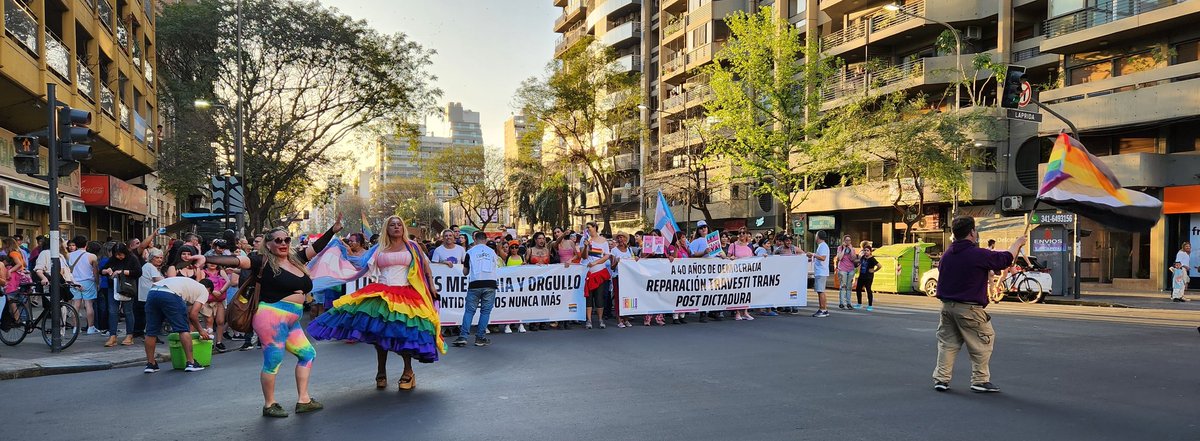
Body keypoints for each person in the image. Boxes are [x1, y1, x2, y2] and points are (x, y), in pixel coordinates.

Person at [197, 216, 342, 417]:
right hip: (271, 317)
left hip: (292, 319)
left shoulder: (296, 259)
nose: (283, 243)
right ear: (269, 244)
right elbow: (236, 260)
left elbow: (317, 247)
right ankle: (269, 404)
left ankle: (304, 399)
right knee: (273, 360)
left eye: (286, 240)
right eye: (278, 240)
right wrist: (208, 258)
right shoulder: (261, 261)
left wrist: (332, 230)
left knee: (307, 354)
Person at [308, 215, 443, 391]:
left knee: (404, 333)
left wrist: (431, 286)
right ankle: (381, 371)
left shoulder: (413, 246)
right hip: (381, 293)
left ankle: (408, 372)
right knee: (379, 334)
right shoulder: (379, 248)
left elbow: (425, 266)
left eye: (399, 224)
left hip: (406, 294)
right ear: (387, 229)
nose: (396, 227)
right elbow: (359, 263)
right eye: (392, 225)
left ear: (403, 228)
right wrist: (340, 248)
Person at [932, 215, 1027, 393]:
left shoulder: (947, 255)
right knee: (983, 341)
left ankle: (941, 379)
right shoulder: (976, 254)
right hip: (969, 308)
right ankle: (980, 379)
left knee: (947, 344)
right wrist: (1017, 244)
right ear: (972, 233)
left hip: (947, 307)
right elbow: (1005, 259)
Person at [142, 277, 213, 374]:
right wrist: (201, 330)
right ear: (209, 290)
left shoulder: (190, 284)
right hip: (170, 294)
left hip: (153, 292)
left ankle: (151, 364)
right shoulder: (204, 291)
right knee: (183, 329)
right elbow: (193, 314)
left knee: (151, 332)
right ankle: (191, 363)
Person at [453, 230, 505, 347]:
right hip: (490, 283)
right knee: (485, 311)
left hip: (475, 283)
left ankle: (463, 336)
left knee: (469, 311)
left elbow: (465, 272)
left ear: (475, 240)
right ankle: (480, 337)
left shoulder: (470, 252)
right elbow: (496, 266)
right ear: (486, 240)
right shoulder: (492, 252)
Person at [100, 243, 142, 347]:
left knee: (128, 311)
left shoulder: (132, 258)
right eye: (117, 255)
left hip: (127, 287)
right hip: (113, 286)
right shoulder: (112, 259)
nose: (119, 257)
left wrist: (121, 272)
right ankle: (113, 335)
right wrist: (106, 270)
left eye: (121, 254)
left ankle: (129, 335)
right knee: (112, 311)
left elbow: (138, 272)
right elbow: (102, 271)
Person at [580, 222, 613, 330]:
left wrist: (596, 263)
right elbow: (584, 256)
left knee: (599, 297)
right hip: (588, 272)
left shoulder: (603, 241)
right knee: (588, 297)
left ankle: (600, 319)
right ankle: (588, 320)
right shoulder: (586, 240)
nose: (588, 229)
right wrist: (585, 246)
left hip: (599, 272)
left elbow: (606, 255)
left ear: (595, 228)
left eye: (589, 227)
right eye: (587, 228)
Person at [66, 236, 100, 334]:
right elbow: (95, 272)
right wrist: (97, 282)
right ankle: (91, 327)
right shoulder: (92, 256)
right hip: (88, 282)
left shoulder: (69, 256)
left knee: (75, 305)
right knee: (88, 305)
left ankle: (76, 328)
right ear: (86, 244)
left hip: (74, 282)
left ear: (75, 244)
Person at [137, 248, 165, 342]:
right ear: (152, 258)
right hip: (148, 295)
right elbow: (159, 280)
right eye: (157, 258)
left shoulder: (149, 267)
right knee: (152, 316)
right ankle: (151, 335)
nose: (159, 260)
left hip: (148, 295)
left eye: (161, 258)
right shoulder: (150, 267)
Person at [727, 230, 755, 321]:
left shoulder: (749, 246)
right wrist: (731, 258)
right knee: (737, 292)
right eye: (740, 233)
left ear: (747, 234)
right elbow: (728, 257)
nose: (742, 234)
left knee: (746, 291)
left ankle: (745, 312)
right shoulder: (733, 245)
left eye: (744, 233)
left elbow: (753, 258)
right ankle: (737, 312)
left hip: (747, 272)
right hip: (736, 272)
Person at [502, 240, 527, 334]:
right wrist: (502, 238)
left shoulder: (521, 257)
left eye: (516, 247)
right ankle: (507, 324)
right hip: (510, 285)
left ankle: (521, 324)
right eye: (512, 247)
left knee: (520, 304)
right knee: (509, 305)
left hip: (520, 285)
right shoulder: (507, 257)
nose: (514, 249)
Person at [611, 233, 634, 328]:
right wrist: (616, 261)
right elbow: (612, 267)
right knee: (618, 298)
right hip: (618, 276)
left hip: (628, 277)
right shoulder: (614, 250)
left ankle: (626, 318)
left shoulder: (629, 249)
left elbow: (633, 261)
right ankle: (619, 319)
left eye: (622, 237)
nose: (620, 239)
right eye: (619, 237)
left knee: (628, 298)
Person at [807, 231, 831, 317]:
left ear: (818, 237)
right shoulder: (822, 246)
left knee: (821, 291)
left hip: (821, 271)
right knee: (820, 291)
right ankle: (824, 309)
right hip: (820, 271)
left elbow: (823, 258)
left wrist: (813, 254)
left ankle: (823, 309)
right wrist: (812, 258)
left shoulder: (823, 246)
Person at [835, 235, 860, 310]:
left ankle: (848, 302)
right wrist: (844, 248)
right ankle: (842, 303)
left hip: (851, 269)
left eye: (849, 240)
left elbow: (853, 258)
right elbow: (839, 258)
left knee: (849, 287)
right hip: (842, 269)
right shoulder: (840, 248)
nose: (848, 242)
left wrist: (851, 249)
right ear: (843, 241)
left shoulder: (852, 249)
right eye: (846, 240)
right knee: (843, 285)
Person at [855, 241, 881, 311]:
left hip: (868, 276)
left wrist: (874, 270)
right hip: (862, 275)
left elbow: (879, 266)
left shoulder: (872, 259)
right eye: (865, 250)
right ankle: (859, 303)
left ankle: (870, 305)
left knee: (868, 290)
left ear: (870, 251)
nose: (866, 252)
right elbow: (859, 264)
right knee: (858, 289)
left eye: (867, 251)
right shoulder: (863, 257)